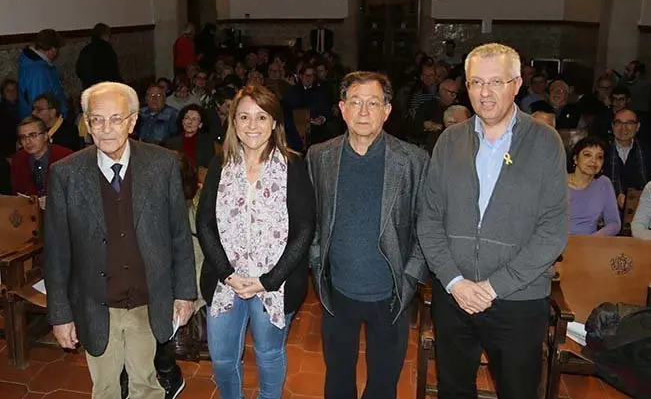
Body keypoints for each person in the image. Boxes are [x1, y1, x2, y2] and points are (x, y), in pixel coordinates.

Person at [418, 43, 568, 399]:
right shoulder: (449, 140)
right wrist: (454, 281)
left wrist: (494, 286)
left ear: (517, 84)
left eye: (496, 82)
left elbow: (553, 231)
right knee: (453, 390)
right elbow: (429, 219)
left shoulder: (546, 143)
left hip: (518, 299)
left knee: (517, 391)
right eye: (475, 83)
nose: (484, 93)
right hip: (454, 295)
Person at [43, 81, 197, 399]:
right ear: (86, 122)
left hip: (148, 298)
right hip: (96, 302)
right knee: (106, 389)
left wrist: (184, 293)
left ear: (132, 121)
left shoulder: (162, 164)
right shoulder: (66, 174)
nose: (107, 128)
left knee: (146, 385)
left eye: (116, 119)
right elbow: (57, 253)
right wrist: (60, 314)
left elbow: (179, 234)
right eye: (97, 119)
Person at [307, 71, 429, 399]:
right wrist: (317, 260)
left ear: (387, 110)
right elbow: (311, 220)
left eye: (373, 103)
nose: (363, 112)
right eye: (355, 103)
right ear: (342, 108)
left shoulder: (413, 160)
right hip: (338, 292)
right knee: (337, 380)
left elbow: (426, 225)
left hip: (390, 293)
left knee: (383, 384)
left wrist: (410, 277)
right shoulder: (320, 156)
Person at [196, 84, 316, 399]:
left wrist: (267, 281)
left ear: (275, 123)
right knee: (222, 359)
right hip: (226, 281)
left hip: (274, 283)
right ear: (233, 121)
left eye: (261, 117)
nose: (252, 126)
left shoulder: (292, 165)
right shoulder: (220, 164)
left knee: (268, 354)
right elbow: (204, 222)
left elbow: (304, 229)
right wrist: (227, 274)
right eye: (244, 117)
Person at [568, 137, 620, 235]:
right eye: (588, 155)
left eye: (599, 157)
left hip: (591, 243)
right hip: (558, 243)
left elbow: (614, 223)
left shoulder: (604, 183)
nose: (594, 161)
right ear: (575, 159)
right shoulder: (557, 183)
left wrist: (594, 238)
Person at [11, 116, 73, 196]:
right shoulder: (18, 159)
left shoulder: (66, 157)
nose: (28, 141)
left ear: (45, 136)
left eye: (33, 135)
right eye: (23, 137)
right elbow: (16, 194)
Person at [603, 108, 651, 211]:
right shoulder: (601, 151)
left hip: (643, 210)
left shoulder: (647, 152)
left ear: (637, 126)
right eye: (618, 123)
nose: (623, 128)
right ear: (612, 126)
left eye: (629, 123)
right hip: (607, 210)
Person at [18, 29, 67, 119]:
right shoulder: (38, 70)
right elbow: (40, 107)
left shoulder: (33, 64)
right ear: (53, 49)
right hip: (46, 124)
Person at [163, 103, 215, 168]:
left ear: (200, 124)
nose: (189, 122)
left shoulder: (207, 142)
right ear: (182, 121)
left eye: (194, 119)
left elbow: (209, 166)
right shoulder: (170, 141)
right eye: (187, 118)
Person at [76, 23, 122, 89]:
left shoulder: (86, 49)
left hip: (88, 88)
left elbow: (79, 70)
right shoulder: (106, 49)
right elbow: (113, 72)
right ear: (106, 35)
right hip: (104, 88)